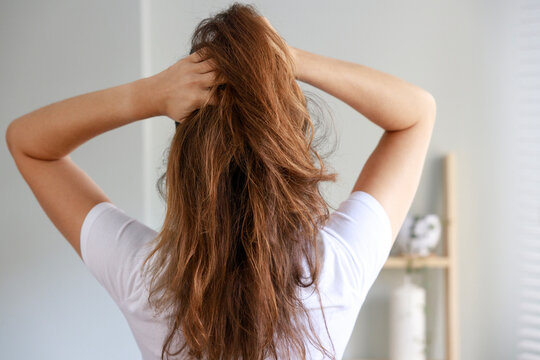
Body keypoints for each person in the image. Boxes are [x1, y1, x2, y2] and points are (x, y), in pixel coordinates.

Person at [5, 3, 436, 360]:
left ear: (184, 161)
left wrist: (150, 94)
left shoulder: (146, 279)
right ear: (287, 154)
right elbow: (416, 114)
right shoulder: (333, 272)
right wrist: (284, 57)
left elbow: (27, 142)